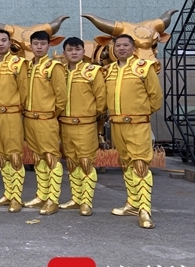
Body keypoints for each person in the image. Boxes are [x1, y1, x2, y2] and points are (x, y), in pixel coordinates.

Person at [104, 34, 162, 229]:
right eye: (118, 45)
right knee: (126, 163)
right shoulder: (109, 70)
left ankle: (145, 209)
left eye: (125, 45)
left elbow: (155, 97)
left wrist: (141, 113)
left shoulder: (144, 67)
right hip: (117, 124)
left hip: (138, 124)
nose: (121, 48)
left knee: (140, 164)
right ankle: (132, 203)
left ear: (133, 48)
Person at [58, 37, 107, 216]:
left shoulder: (92, 71)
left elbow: (101, 97)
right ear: (64, 53)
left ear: (83, 52)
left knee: (86, 162)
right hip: (65, 124)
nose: (73, 52)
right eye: (70, 50)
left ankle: (86, 201)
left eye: (77, 49)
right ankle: (75, 198)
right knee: (71, 162)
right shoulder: (59, 72)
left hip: (85, 124)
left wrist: (94, 115)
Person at [22, 30, 67, 216]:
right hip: (30, 120)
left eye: (42, 44)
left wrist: (50, 114)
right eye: (35, 44)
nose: (39, 47)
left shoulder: (53, 67)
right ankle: (42, 194)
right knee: (37, 158)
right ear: (30, 46)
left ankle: (53, 199)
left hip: (46, 119)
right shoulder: (28, 66)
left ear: (49, 45)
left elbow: (61, 97)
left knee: (51, 158)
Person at [0, 30, 28, 213]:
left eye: (4, 40)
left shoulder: (18, 63)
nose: (1, 44)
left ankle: (17, 197)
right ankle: (8, 192)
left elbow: (24, 90)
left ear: (10, 42)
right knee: (1, 155)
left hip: (11, 114)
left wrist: (22, 110)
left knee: (14, 155)